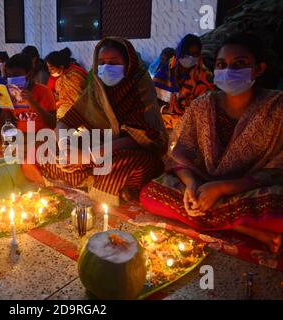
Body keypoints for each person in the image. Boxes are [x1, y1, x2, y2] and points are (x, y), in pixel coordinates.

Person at [140, 34, 283, 253]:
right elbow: (179, 154)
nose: (229, 71)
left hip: (249, 188)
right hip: (202, 185)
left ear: (259, 68)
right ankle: (248, 230)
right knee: (151, 193)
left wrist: (223, 188)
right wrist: (191, 184)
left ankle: (221, 217)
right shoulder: (202, 105)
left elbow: (276, 170)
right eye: (221, 65)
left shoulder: (276, 108)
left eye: (240, 64)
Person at [34, 37, 168, 206]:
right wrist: (64, 146)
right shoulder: (96, 87)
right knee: (46, 151)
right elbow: (65, 122)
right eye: (102, 62)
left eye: (113, 62)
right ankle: (95, 179)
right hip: (94, 146)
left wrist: (89, 156)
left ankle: (92, 178)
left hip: (127, 150)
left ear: (128, 63)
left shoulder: (140, 85)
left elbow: (140, 137)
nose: (106, 67)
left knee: (136, 165)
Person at [0, 53, 56, 153]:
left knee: (48, 140)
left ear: (29, 74)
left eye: (16, 75)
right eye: (9, 75)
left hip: (38, 136)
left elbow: (52, 123)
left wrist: (32, 103)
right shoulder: (8, 93)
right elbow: (1, 128)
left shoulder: (44, 91)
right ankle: (13, 150)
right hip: (18, 137)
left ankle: (12, 150)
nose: (11, 79)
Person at [45, 48, 88, 119]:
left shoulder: (71, 76)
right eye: (48, 68)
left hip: (76, 113)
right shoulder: (68, 72)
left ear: (61, 67)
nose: (49, 71)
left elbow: (71, 101)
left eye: (51, 68)